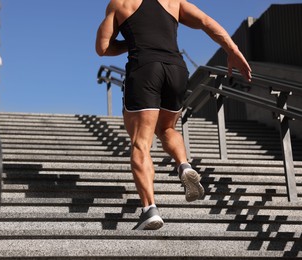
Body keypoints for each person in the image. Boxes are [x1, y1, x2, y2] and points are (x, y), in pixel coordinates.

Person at [95, 0, 252, 230]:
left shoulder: (120, 3)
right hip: (176, 69)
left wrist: (131, 43)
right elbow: (206, 22)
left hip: (145, 67)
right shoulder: (174, 1)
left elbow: (103, 48)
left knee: (141, 143)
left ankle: (150, 209)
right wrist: (233, 50)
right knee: (167, 129)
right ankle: (184, 166)